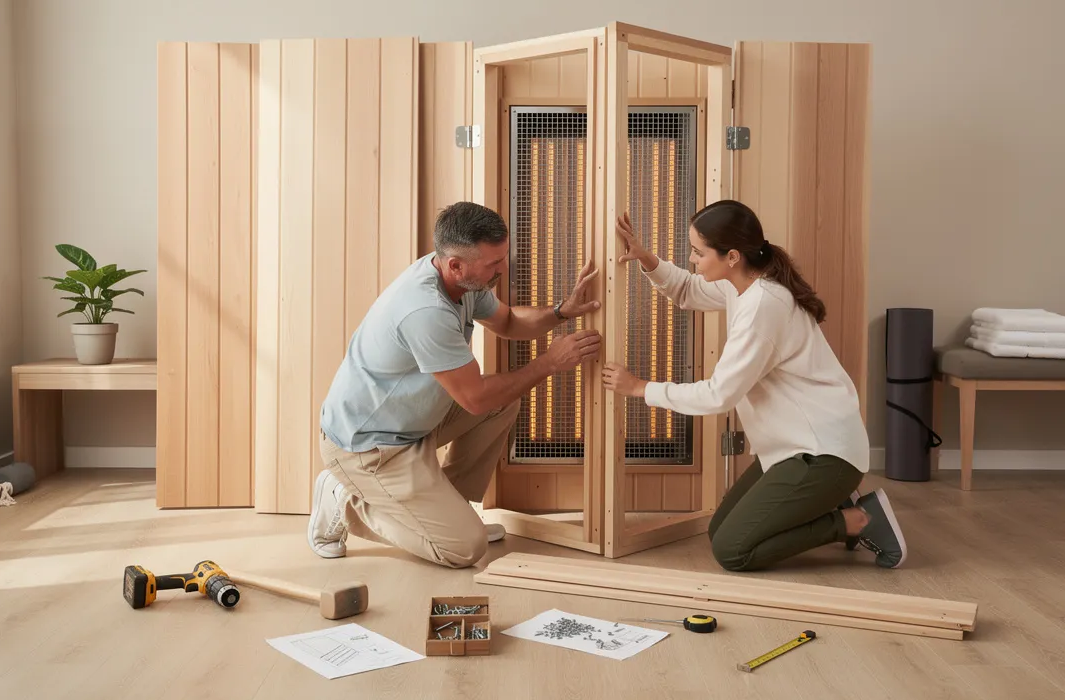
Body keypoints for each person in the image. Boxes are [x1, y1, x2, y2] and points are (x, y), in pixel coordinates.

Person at [601, 200, 907, 571]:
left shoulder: (765, 306)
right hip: (793, 449)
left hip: (821, 453)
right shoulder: (744, 282)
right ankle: (831, 500)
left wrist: (639, 388)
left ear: (731, 255)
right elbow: (687, 290)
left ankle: (854, 520)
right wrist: (645, 258)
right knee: (721, 531)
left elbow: (720, 394)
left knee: (733, 550)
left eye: (698, 252)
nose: (693, 259)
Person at [308, 201, 603, 568]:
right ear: (456, 265)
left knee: (505, 399)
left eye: (503, 258)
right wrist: (548, 363)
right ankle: (346, 501)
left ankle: (447, 512)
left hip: (412, 423)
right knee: (464, 549)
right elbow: (475, 399)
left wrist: (561, 312)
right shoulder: (425, 311)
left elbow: (509, 322)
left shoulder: (462, 280)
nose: (502, 269)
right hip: (371, 448)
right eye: (493, 264)